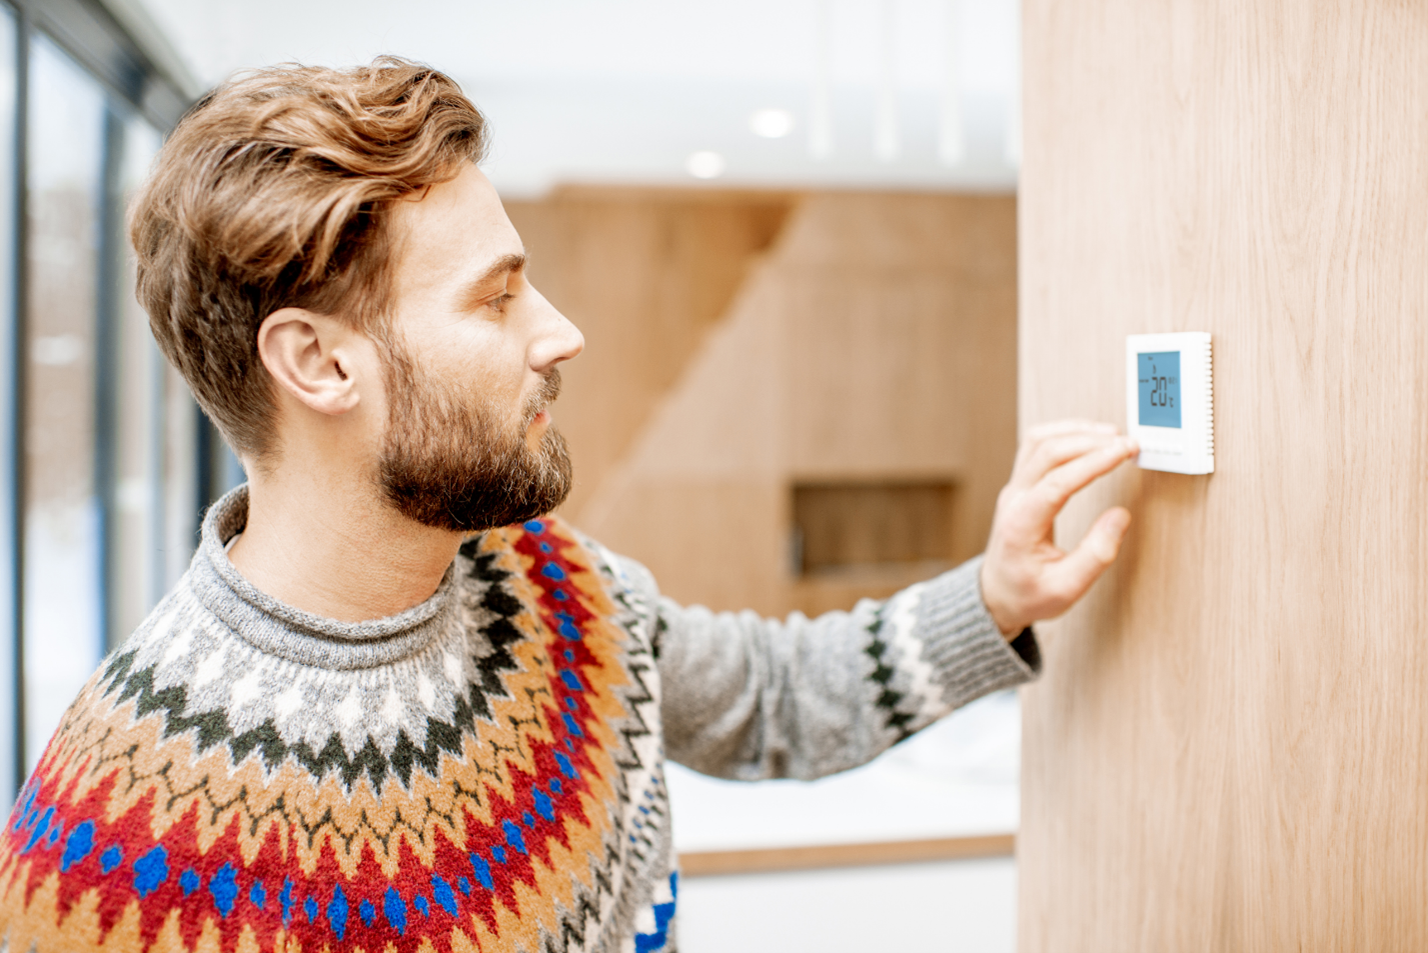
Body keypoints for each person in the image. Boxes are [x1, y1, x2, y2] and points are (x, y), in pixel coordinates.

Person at [0, 58, 1136, 953]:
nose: (561, 332)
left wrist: (994, 597)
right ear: (320, 364)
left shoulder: (539, 574)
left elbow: (773, 700)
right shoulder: (113, 854)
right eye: (496, 299)